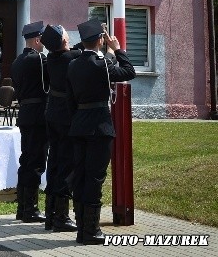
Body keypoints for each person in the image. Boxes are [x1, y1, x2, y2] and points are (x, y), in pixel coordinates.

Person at [67, 18, 136, 245]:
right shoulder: (103, 63)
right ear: (99, 39)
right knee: (95, 178)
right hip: (98, 125)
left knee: (80, 177)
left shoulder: (73, 64)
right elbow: (128, 71)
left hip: (78, 124)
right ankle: (91, 231)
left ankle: (81, 230)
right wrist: (117, 50)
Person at [40, 23, 81, 232]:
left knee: (54, 162)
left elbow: (74, 50)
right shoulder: (71, 58)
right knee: (66, 164)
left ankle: (50, 214)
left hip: (52, 114)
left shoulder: (53, 58)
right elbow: (80, 52)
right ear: (64, 40)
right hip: (65, 116)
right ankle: (61, 217)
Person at [11, 21, 49, 223]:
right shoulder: (39, 60)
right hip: (38, 114)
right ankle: (31, 209)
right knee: (35, 162)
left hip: (25, 112)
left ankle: (22, 206)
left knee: (26, 161)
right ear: (37, 40)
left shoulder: (17, 61)